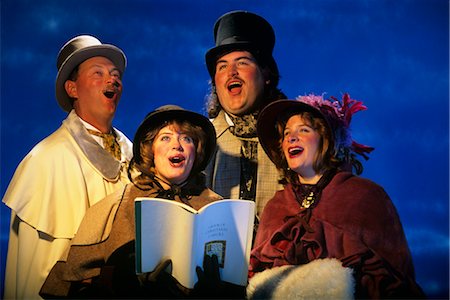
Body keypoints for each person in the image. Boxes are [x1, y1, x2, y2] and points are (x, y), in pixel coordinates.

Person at [39, 105, 245, 298]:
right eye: (165, 138)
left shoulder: (217, 207)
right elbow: (71, 283)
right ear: (150, 151)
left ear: (196, 152)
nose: (177, 145)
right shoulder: (118, 204)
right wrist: (124, 281)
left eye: (187, 139)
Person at [247, 94, 425, 298]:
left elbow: (395, 280)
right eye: (286, 133)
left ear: (327, 140)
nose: (291, 138)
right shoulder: (275, 206)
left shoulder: (366, 196)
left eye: (303, 130)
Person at [2, 35, 133, 299]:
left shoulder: (132, 154)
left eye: (115, 74)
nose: (112, 80)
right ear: (72, 89)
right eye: (98, 73)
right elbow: (35, 268)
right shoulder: (46, 160)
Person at [204, 10, 287, 225]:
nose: (231, 72)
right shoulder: (200, 141)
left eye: (242, 62)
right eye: (222, 66)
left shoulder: (291, 137)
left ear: (266, 74)